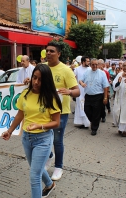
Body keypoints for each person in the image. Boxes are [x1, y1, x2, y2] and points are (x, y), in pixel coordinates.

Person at [2, 64, 62, 198]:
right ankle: (49, 184)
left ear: (46, 81)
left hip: (43, 139)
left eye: (40, 80)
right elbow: (20, 114)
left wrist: (39, 126)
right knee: (37, 168)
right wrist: (10, 131)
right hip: (26, 139)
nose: (36, 82)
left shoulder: (51, 97)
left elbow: (56, 122)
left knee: (34, 176)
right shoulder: (25, 93)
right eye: (34, 78)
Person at [45, 42, 80, 181]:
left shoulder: (66, 70)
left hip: (61, 111)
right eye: (47, 51)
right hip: (43, 110)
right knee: (44, 138)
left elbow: (77, 91)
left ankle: (58, 167)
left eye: (52, 51)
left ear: (58, 54)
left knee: (57, 140)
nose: (48, 53)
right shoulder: (42, 68)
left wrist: (69, 91)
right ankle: (49, 157)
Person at [79, 58, 110, 136]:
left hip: (98, 96)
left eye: (96, 64)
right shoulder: (87, 72)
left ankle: (94, 128)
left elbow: (106, 86)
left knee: (96, 113)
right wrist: (82, 83)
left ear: (98, 65)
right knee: (87, 110)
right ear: (90, 65)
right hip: (88, 96)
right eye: (93, 64)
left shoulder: (102, 73)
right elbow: (80, 80)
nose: (95, 66)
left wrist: (105, 97)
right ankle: (94, 121)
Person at [73, 56, 90, 129]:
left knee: (87, 106)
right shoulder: (77, 69)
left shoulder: (90, 69)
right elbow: (74, 80)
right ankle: (81, 122)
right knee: (80, 106)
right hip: (79, 91)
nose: (89, 62)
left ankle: (87, 122)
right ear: (83, 62)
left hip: (88, 91)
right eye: (87, 61)